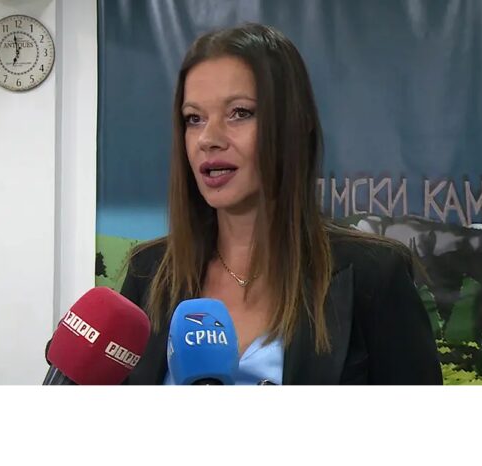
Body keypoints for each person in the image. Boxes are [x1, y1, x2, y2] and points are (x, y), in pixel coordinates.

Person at [120, 23, 442, 385]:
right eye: (194, 119)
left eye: (240, 112)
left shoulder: (373, 276)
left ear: (295, 122)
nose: (208, 139)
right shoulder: (148, 275)